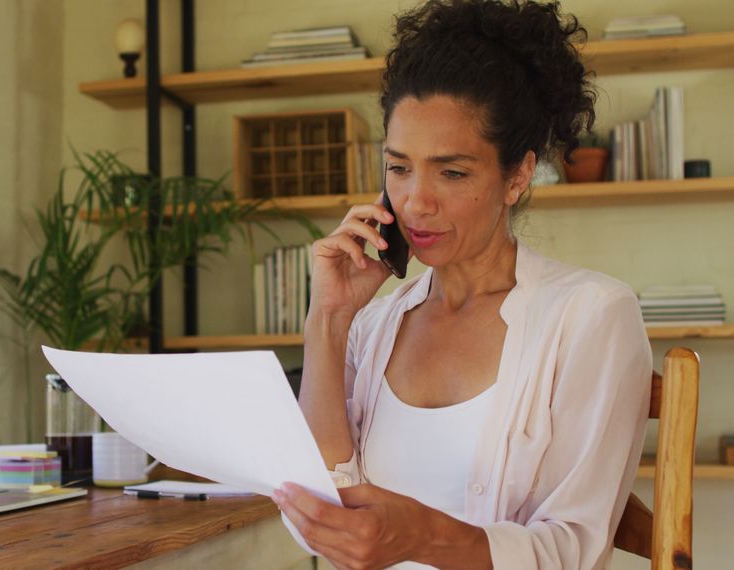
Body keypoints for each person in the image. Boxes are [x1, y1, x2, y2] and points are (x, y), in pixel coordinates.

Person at [269, 1, 653, 568]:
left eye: (452, 172)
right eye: (399, 168)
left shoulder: (591, 316)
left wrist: (423, 538)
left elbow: (574, 548)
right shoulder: (373, 327)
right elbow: (314, 518)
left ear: (517, 175)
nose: (416, 202)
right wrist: (327, 319)